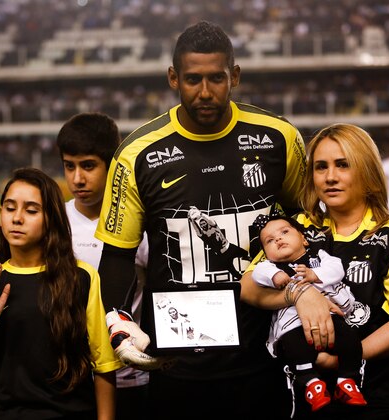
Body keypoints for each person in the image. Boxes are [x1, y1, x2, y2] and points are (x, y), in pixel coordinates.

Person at [95, 21, 307, 419]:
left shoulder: (279, 138)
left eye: (217, 78)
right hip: (178, 362)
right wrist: (118, 319)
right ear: (173, 78)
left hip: (268, 351)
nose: (205, 92)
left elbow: (305, 224)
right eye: (193, 79)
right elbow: (118, 256)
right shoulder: (138, 154)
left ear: (235, 76)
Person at [241, 123, 389, 419]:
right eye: (321, 167)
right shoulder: (297, 228)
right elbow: (247, 286)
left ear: (367, 171)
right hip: (307, 404)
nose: (330, 177)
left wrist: (342, 359)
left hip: (383, 401)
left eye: (343, 165)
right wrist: (298, 293)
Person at [0, 167, 122, 419]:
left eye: (31, 210)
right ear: (0, 214)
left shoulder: (81, 277)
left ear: (51, 218)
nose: (17, 218)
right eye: (10, 208)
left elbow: (104, 366)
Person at [56, 112, 150, 420]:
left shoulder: (140, 226)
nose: (77, 179)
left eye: (88, 166)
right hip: (69, 379)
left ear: (112, 163)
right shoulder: (53, 223)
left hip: (129, 379)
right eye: (69, 166)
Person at [251, 215, 366, 414]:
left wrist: (315, 275)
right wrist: (274, 275)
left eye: (285, 232)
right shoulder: (272, 266)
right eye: (270, 241)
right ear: (267, 254)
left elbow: (337, 268)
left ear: (304, 239)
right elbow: (257, 272)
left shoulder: (317, 256)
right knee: (293, 347)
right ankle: (311, 383)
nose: (278, 239)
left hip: (329, 318)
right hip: (295, 325)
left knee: (350, 339)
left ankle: (347, 380)